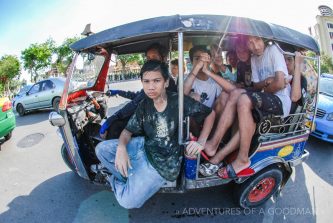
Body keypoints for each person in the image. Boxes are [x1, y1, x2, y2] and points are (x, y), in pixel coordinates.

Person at [95, 60, 215, 209]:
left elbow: (210, 114)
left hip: (162, 166)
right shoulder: (144, 104)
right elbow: (127, 131)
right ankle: (128, 177)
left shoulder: (178, 102)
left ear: (166, 82)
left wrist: (201, 142)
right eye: (146, 81)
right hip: (143, 147)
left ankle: (116, 180)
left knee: (127, 202)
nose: (151, 87)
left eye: (156, 81)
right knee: (101, 149)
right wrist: (121, 147)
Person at [205, 36, 291, 179]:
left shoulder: (273, 50)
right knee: (234, 93)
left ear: (263, 39)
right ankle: (214, 143)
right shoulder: (254, 59)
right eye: (250, 43)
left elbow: (280, 84)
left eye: (257, 40)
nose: (255, 46)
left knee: (244, 99)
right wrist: (265, 83)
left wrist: (263, 89)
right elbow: (256, 85)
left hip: (280, 101)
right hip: (263, 97)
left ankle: (243, 158)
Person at [99, 43, 177, 139]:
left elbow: (135, 103)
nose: (150, 60)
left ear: (163, 58)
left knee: (115, 126)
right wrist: (118, 92)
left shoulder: (164, 80)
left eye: (153, 57)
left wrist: (113, 117)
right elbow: (138, 96)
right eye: (148, 57)